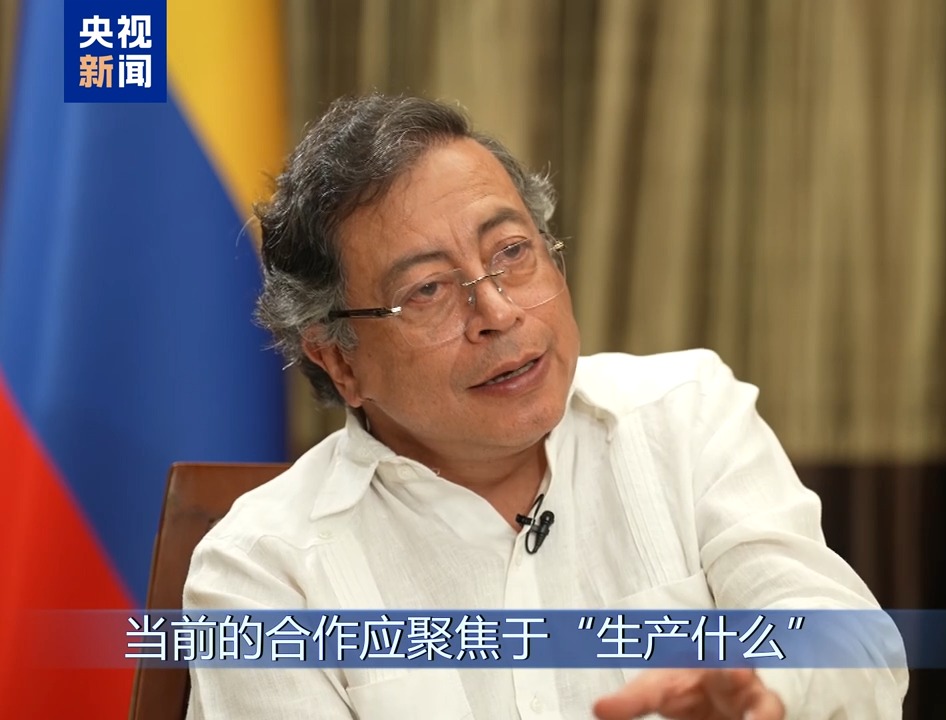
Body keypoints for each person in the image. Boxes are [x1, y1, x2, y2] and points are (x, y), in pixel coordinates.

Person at [184, 94, 908, 719]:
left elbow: (850, 643)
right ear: (339, 359)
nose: (498, 312)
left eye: (510, 252)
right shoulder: (263, 573)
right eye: (429, 290)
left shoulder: (686, 416)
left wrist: (768, 692)